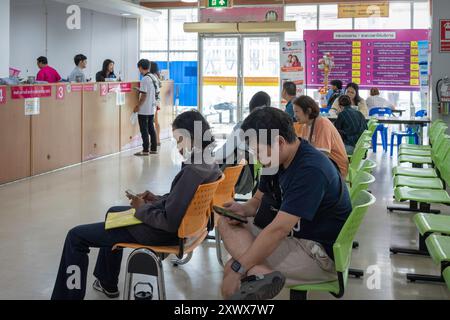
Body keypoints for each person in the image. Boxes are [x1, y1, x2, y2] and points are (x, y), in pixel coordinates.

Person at [51, 111, 222, 300]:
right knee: (113, 213)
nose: (178, 146)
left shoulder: (192, 171)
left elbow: (169, 222)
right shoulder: (207, 163)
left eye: (179, 140)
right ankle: (106, 281)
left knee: (76, 237)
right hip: (180, 230)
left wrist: (141, 207)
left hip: (158, 232)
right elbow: (181, 201)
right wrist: (155, 199)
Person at [218, 107, 352, 300]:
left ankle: (256, 273)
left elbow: (278, 230)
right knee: (225, 221)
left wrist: (240, 268)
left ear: (279, 142)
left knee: (233, 271)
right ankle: (260, 271)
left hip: (316, 253)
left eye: (258, 150)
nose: (256, 157)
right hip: (293, 237)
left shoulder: (310, 170)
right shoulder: (274, 161)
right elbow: (256, 201)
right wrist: (243, 209)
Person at [215, 91, 271, 195]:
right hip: (253, 178)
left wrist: (212, 156)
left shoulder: (243, 128)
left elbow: (223, 153)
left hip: (235, 181)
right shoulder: (269, 129)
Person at [293, 95, 349, 177]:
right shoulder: (306, 126)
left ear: (308, 111)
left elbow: (322, 156)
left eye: (297, 112)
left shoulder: (322, 124)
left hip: (337, 170)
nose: (294, 116)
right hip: (326, 167)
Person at [134, 59, 158, 156]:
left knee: (144, 130)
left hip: (144, 109)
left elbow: (144, 96)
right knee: (151, 128)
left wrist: (137, 106)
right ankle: (153, 148)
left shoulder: (144, 79)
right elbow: (150, 91)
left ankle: (145, 150)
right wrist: (140, 89)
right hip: (152, 108)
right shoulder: (153, 77)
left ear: (140, 67)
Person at [148, 62, 162, 147]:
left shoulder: (151, 77)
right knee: (156, 121)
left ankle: (154, 140)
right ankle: (158, 139)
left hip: (153, 101)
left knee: (152, 122)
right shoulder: (157, 76)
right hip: (157, 101)